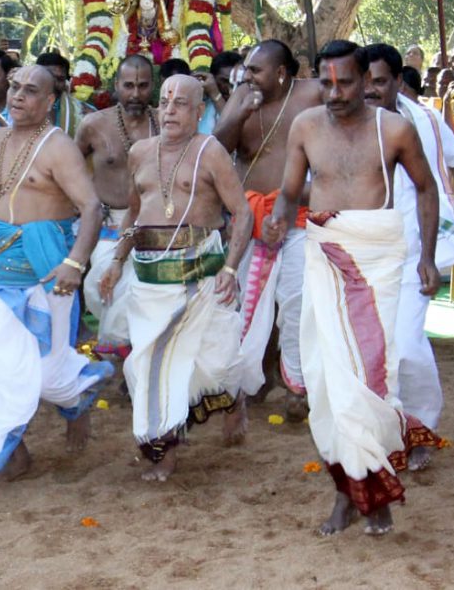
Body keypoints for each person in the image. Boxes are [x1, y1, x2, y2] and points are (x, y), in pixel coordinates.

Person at [263, 40, 442, 537]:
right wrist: (278, 220)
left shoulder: (394, 129)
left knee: (367, 382)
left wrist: (428, 256)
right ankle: (349, 493)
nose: (335, 92)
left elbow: (426, 188)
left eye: (345, 82)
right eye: (326, 82)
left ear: (366, 80)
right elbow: (289, 192)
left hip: (376, 260)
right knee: (327, 384)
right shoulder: (306, 126)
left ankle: (369, 493)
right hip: (323, 255)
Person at [0, 65, 112, 480]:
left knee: (49, 375)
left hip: (47, 276)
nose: (17, 95)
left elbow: (91, 207)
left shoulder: (59, 147)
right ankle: (11, 451)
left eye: (30, 91)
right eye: (14, 87)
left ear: (49, 102)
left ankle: (77, 397)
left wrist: (75, 263)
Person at [98, 75, 252, 480]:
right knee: (150, 365)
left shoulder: (210, 151)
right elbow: (134, 215)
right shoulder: (140, 152)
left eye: (181, 103)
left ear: (199, 112)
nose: (169, 110)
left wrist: (231, 267)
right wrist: (116, 261)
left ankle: (233, 398)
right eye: (165, 101)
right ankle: (163, 450)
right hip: (150, 280)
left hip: (201, 274)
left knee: (216, 366)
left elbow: (242, 213)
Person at [365, 44, 454, 469]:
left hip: (413, 252)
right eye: (364, 82)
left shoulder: (423, 119)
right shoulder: (345, 124)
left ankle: (421, 427)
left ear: (398, 82)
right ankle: (382, 433)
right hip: (362, 255)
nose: (371, 91)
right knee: (371, 351)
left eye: (380, 82)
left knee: (407, 346)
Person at [213, 39, 323, 427]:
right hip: (251, 220)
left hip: (299, 217)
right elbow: (216, 149)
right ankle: (245, 383)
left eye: (256, 70)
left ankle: (298, 387)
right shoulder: (241, 96)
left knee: (296, 304)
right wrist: (239, 113)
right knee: (244, 307)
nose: (247, 75)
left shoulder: (313, 94)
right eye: (246, 68)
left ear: (280, 73)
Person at [77, 55, 158, 357]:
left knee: (139, 291)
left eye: (143, 86)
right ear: (116, 85)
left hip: (153, 222)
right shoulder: (93, 125)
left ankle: (131, 358)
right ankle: (126, 350)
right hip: (109, 224)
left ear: (153, 86)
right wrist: (85, 207)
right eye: (128, 86)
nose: (135, 93)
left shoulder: (165, 122)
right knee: (98, 288)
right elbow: (70, 169)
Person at [36, 51, 92, 138]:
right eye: (48, 77)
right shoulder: (19, 104)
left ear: (66, 81)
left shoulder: (83, 111)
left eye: (60, 79)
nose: (54, 84)